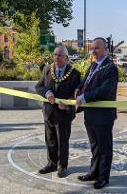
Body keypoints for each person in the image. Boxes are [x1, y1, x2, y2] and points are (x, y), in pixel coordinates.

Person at [74, 37, 119, 189]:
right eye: (92, 48)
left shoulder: (110, 67)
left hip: (103, 115)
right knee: (95, 147)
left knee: (105, 148)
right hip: (90, 114)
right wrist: (77, 89)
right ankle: (93, 172)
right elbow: (85, 81)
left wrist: (84, 97)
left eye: (97, 48)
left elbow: (105, 91)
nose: (93, 51)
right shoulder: (93, 65)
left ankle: (103, 178)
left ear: (105, 50)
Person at [35, 46, 81, 178]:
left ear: (66, 58)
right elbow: (39, 86)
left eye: (60, 55)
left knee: (62, 141)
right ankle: (52, 164)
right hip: (49, 112)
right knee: (50, 140)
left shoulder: (74, 73)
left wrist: (68, 104)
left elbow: (77, 93)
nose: (56, 57)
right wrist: (47, 92)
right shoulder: (47, 70)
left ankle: (62, 166)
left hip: (64, 114)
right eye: (55, 55)